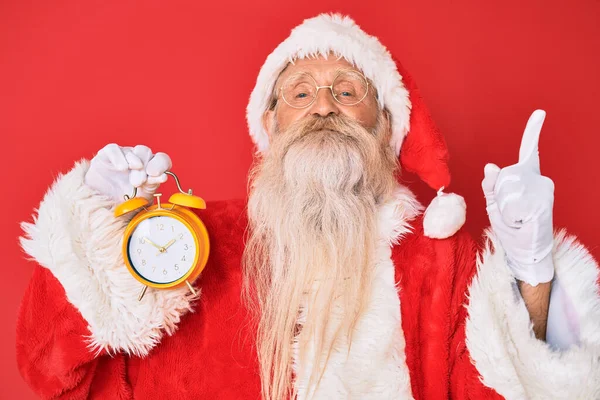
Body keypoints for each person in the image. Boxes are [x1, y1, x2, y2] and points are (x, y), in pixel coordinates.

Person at [16, 13, 600, 400]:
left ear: (387, 129)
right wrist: (97, 229)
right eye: (300, 93)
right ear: (269, 125)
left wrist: (531, 271)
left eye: (347, 91)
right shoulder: (186, 245)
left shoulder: (441, 265)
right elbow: (52, 373)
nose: (323, 105)